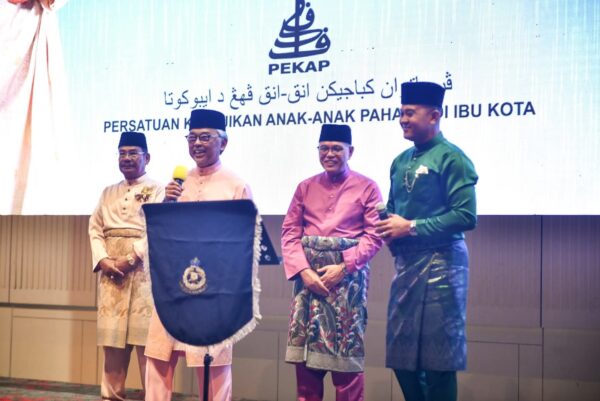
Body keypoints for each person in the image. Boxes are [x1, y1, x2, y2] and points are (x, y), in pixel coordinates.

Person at [375, 82, 478, 401]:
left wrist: (411, 227)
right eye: (401, 113)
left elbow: (466, 216)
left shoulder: (453, 158)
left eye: (410, 113)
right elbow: (393, 209)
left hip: (443, 263)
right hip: (407, 264)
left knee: (438, 361)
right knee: (401, 356)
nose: (402, 119)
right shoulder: (399, 161)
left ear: (434, 116)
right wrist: (388, 225)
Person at [143, 109, 252, 401]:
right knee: (159, 355)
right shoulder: (177, 185)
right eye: (192, 138)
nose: (197, 144)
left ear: (223, 143)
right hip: (172, 286)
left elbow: (246, 241)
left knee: (213, 363)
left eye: (205, 137)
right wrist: (166, 204)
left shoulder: (236, 185)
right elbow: (161, 236)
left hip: (213, 291)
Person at [281, 124, 384, 401]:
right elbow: (289, 232)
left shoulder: (368, 187)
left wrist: (344, 266)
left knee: (346, 371)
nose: (329, 154)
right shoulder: (305, 187)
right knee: (306, 372)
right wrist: (304, 271)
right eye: (324, 148)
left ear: (351, 151)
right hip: (308, 284)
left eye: (336, 148)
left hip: (346, 285)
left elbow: (375, 235)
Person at [89, 131, 164, 400]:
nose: (127, 158)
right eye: (122, 154)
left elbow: (157, 227)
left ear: (147, 157)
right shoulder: (108, 192)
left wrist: (132, 259)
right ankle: (111, 396)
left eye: (133, 153)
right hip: (111, 275)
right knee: (112, 346)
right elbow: (95, 228)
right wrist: (103, 260)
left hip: (143, 273)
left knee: (147, 345)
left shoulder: (158, 189)